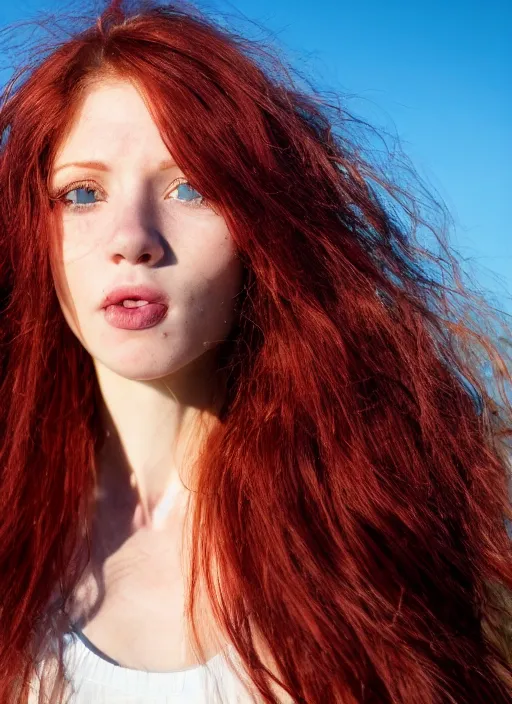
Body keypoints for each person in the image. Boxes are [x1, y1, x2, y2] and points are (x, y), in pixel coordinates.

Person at [0, 1, 511, 702]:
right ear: (34, 232)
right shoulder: (12, 520)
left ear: (258, 232)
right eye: (82, 192)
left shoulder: (362, 525)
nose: (133, 237)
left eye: (191, 187)